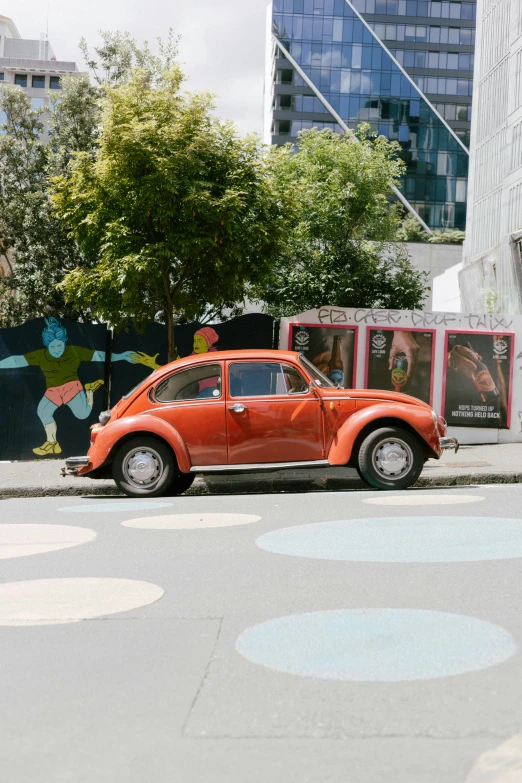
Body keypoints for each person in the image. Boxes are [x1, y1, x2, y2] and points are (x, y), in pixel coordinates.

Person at [0, 317, 138, 456]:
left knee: (83, 415)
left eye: (59, 345)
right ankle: (52, 443)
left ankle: (89, 390)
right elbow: (17, 359)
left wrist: (121, 356)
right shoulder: (41, 355)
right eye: (52, 347)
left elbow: (98, 355)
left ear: (64, 342)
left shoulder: (74, 352)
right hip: (53, 390)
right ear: (47, 345)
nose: (56, 349)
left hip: (71, 387)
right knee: (43, 411)